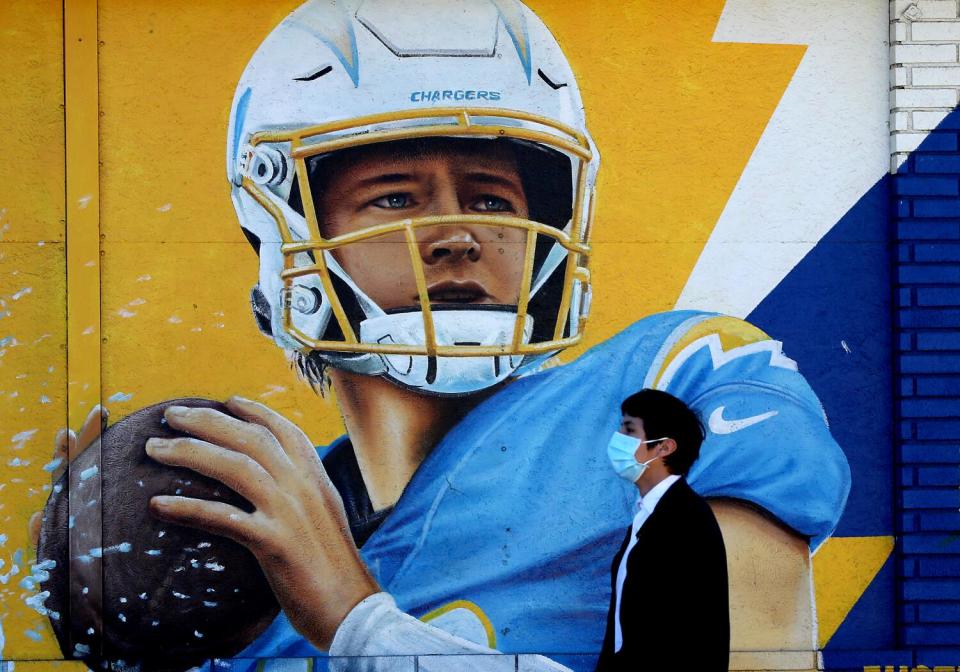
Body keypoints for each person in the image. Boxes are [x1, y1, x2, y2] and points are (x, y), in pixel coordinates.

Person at [36, 1, 851, 670]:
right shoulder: (249, 536)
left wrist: (361, 626)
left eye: (493, 199)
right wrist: (114, 622)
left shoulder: (671, 385)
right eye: (395, 198)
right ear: (286, 237)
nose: (457, 235)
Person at [597, 389, 728, 672]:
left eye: (629, 430)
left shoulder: (686, 519)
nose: (617, 439)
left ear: (664, 448)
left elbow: (696, 628)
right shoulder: (649, 515)